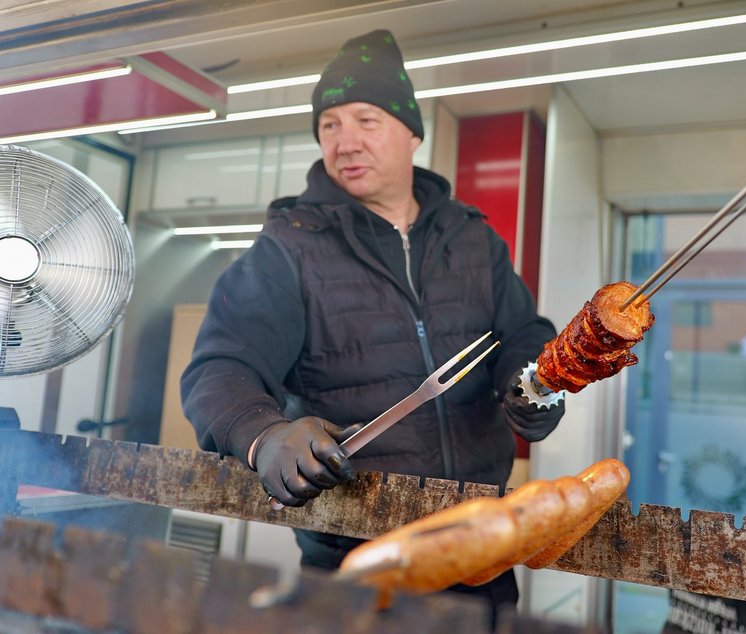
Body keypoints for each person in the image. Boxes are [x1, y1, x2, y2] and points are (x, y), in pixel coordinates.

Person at [180, 28, 565, 618]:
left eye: (366, 119)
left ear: (411, 132)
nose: (345, 141)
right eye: (329, 125)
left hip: (482, 549)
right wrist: (264, 435)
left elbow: (521, 334)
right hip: (354, 564)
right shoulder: (289, 248)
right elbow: (220, 367)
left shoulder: (472, 239)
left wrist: (534, 381)